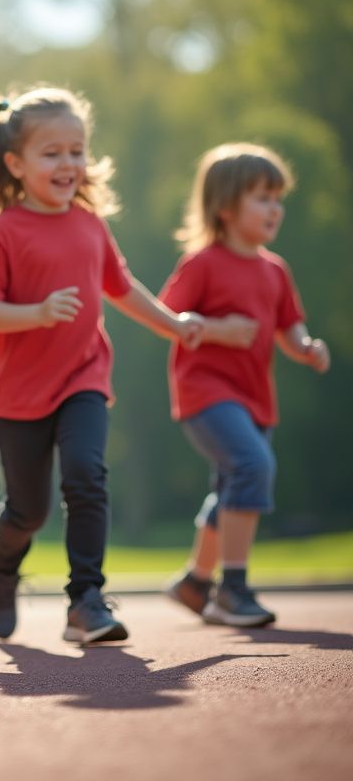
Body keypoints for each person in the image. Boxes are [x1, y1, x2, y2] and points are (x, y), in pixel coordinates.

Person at [0, 86, 202, 645]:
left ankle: (86, 600)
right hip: (21, 395)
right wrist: (37, 312)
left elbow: (123, 289)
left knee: (87, 477)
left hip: (84, 378)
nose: (68, 164)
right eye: (52, 153)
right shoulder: (0, 233)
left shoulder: (90, 224)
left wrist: (176, 323)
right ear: (15, 163)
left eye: (77, 150)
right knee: (28, 511)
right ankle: (2, 561)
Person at [160, 143, 329, 627]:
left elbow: (289, 325)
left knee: (234, 486)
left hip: (256, 399)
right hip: (205, 393)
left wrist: (306, 346)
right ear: (225, 206)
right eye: (262, 197)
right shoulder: (202, 264)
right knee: (253, 465)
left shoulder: (275, 269)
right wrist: (218, 330)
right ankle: (232, 589)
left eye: (278, 198)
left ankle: (196, 582)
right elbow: (169, 319)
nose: (274, 208)